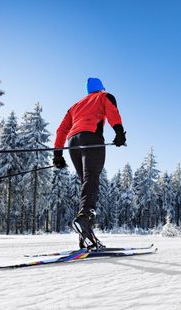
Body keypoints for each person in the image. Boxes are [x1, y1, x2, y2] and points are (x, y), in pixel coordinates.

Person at [53, 77, 126, 250]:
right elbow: (112, 112)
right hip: (92, 138)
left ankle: (86, 238)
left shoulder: (75, 106)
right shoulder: (104, 96)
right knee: (91, 179)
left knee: (86, 184)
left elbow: (61, 129)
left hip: (73, 142)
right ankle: (85, 218)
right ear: (101, 88)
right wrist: (119, 133)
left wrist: (58, 154)